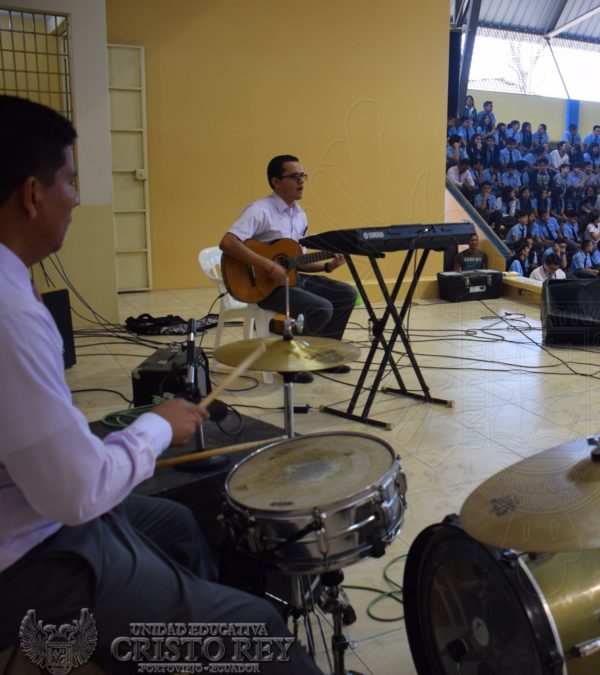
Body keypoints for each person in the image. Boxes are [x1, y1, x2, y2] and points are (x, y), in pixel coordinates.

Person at [0, 96, 322, 673]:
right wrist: (156, 426)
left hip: (32, 507)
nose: (76, 199)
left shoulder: (13, 285)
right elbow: (75, 492)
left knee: (175, 523)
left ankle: (184, 634)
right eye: (70, 182)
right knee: (263, 630)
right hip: (33, 557)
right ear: (31, 194)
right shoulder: (9, 314)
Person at [219, 155, 357, 383]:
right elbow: (228, 242)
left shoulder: (299, 214)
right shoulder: (259, 210)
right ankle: (289, 361)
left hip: (291, 280)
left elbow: (296, 260)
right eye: (294, 176)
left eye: (303, 175)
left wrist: (327, 266)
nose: (301, 181)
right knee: (321, 308)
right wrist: (267, 265)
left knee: (346, 294)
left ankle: (321, 356)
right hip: (263, 288)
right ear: (276, 182)